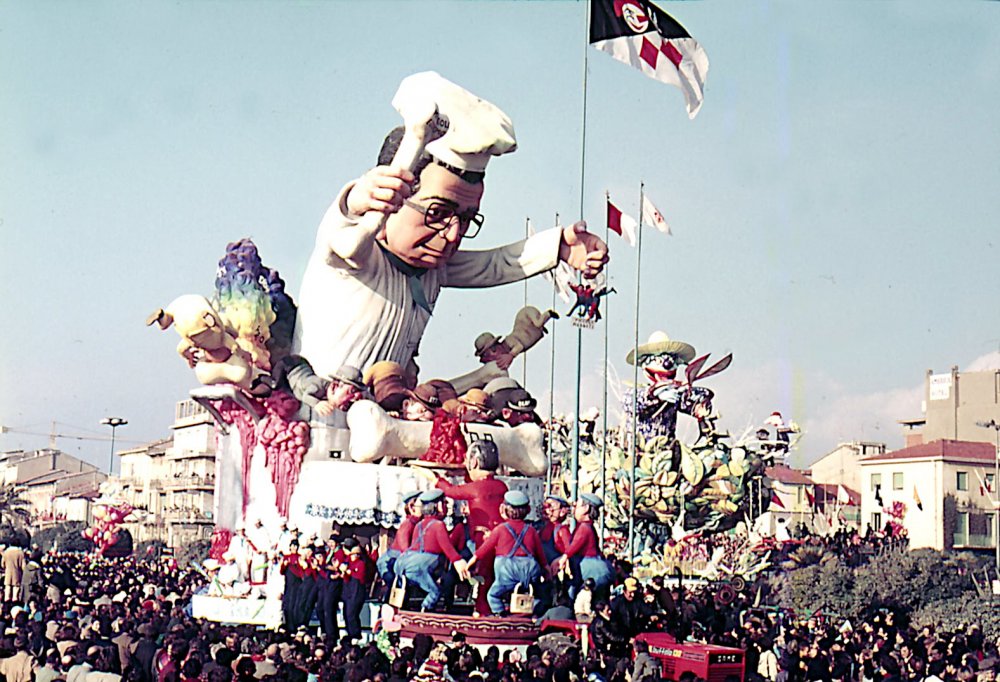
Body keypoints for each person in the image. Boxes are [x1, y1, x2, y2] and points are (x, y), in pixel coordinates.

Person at [292, 72, 608, 381]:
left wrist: (560, 247)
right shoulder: (355, 258)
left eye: (467, 219)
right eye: (438, 212)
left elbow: (495, 265)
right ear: (392, 195)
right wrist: (357, 199)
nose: (453, 233)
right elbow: (339, 236)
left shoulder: (434, 270)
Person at [435, 440, 508, 614]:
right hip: (501, 537)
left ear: (474, 462)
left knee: (484, 575)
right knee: (490, 576)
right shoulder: (501, 485)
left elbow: (451, 491)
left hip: (484, 539)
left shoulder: (476, 488)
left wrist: (436, 479)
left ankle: (484, 609)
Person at [466, 491, 547, 616]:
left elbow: (483, 550)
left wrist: (470, 563)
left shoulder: (500, 529)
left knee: (493, 595)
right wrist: (547, 569)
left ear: (504, 509)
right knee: (535, 593)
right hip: (530, 570)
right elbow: (540, 554)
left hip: (507, 570)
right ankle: (531, 614)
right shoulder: (531, 530)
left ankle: (500, 614)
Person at [393, 490, 469, 611]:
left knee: (403, 590)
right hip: (422, 564)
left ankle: (398, 609)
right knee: (435, 591)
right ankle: (425, 612)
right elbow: (446, 546)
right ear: (438, 506)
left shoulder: (419, 524)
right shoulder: (438, 525)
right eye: (444, 504)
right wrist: (457, 560)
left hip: (404, 562)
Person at [555, 494, 613, 597]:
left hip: (590, 568)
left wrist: (563, 559)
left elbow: (575, 545)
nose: (574, 508)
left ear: (586, 508)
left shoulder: (584, 527)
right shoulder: (587, 526)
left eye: (577, 505)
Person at [377, 490, 422, 593]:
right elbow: (404, 548)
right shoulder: (408, 524)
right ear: (412, 507)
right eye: (420, 505)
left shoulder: (417, 523)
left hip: (399, 560)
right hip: (391, 561)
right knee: (396, 589)